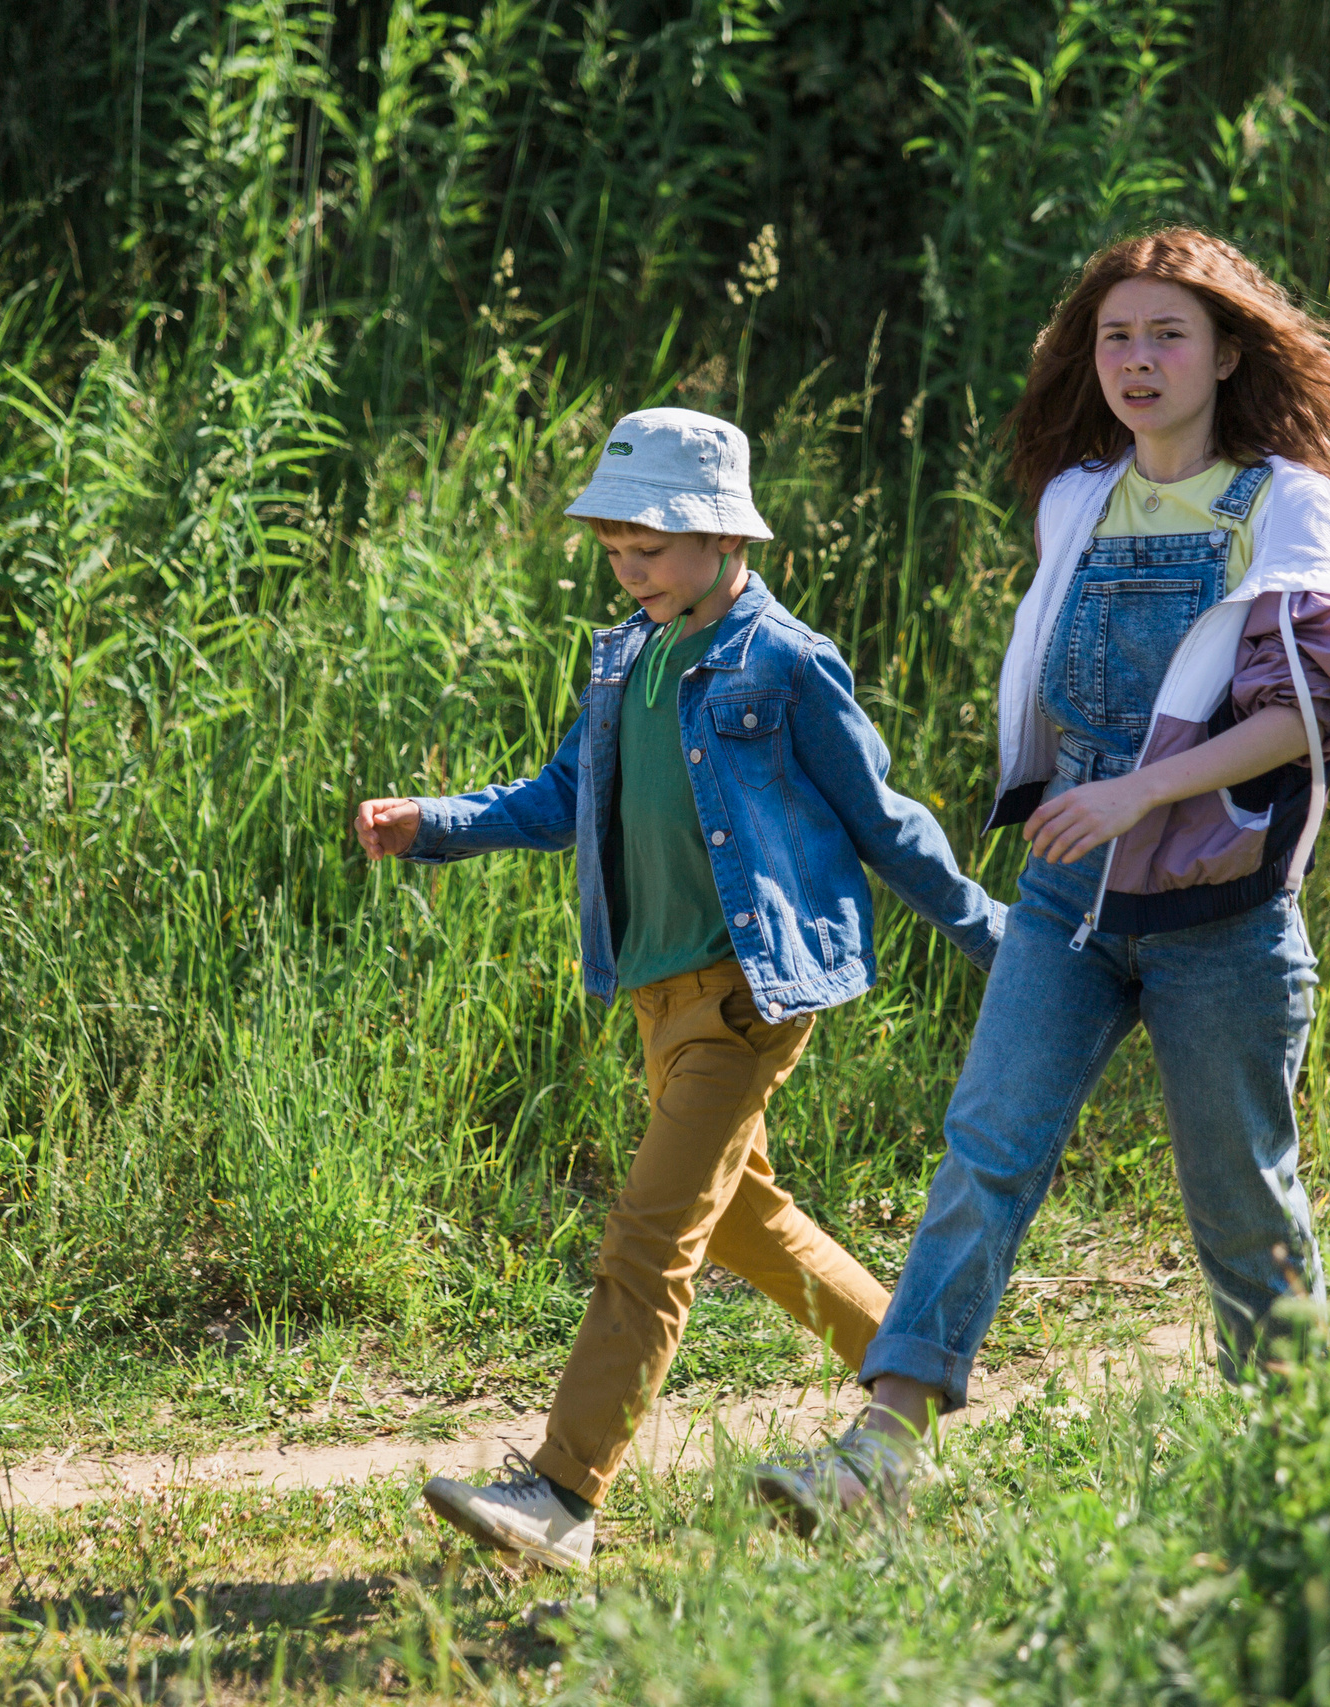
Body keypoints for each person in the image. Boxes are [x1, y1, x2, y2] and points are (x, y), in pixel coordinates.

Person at [750, 228, 1330, 1530]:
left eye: (1167, 333)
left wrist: (1138, 788)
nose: (1137, 359)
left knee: (1242, 1201)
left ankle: (1303, 1478)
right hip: (1067, 899)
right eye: (1116, 335)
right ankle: (881, 1452)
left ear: (1229, 351)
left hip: (1221, 911)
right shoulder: (1079, 497)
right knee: (985, 1153)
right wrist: (1075, 785)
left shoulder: (1287, 503)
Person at [352, 406, 1007, 1570]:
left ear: (720, 536)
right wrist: (432, 824)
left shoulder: (786, 663)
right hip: (658, 1000)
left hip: (750, 995)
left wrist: (1000, 942)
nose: (629, 571)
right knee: (752, 1227)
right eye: (614, 552)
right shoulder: (625, 662)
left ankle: (562, 1493)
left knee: (647, 1240)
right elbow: (561, 797)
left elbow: (887, 825)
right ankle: (925, 1390)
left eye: (648, 549)